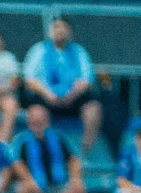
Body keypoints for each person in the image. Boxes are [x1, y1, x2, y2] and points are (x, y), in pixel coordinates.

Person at [21, 17, 101, 153]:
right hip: (45, 96)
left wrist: (71, 96)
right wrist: (48, 95)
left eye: (63, 28)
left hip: (72, 98)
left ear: (70, 32)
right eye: (56, 27)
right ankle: (43, 152)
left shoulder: (79, 52)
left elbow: (87, 80)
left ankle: (85, 152)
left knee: (94, 109)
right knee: (36, 113)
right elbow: (29, 79)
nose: (60, 31)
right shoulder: (39, 50)